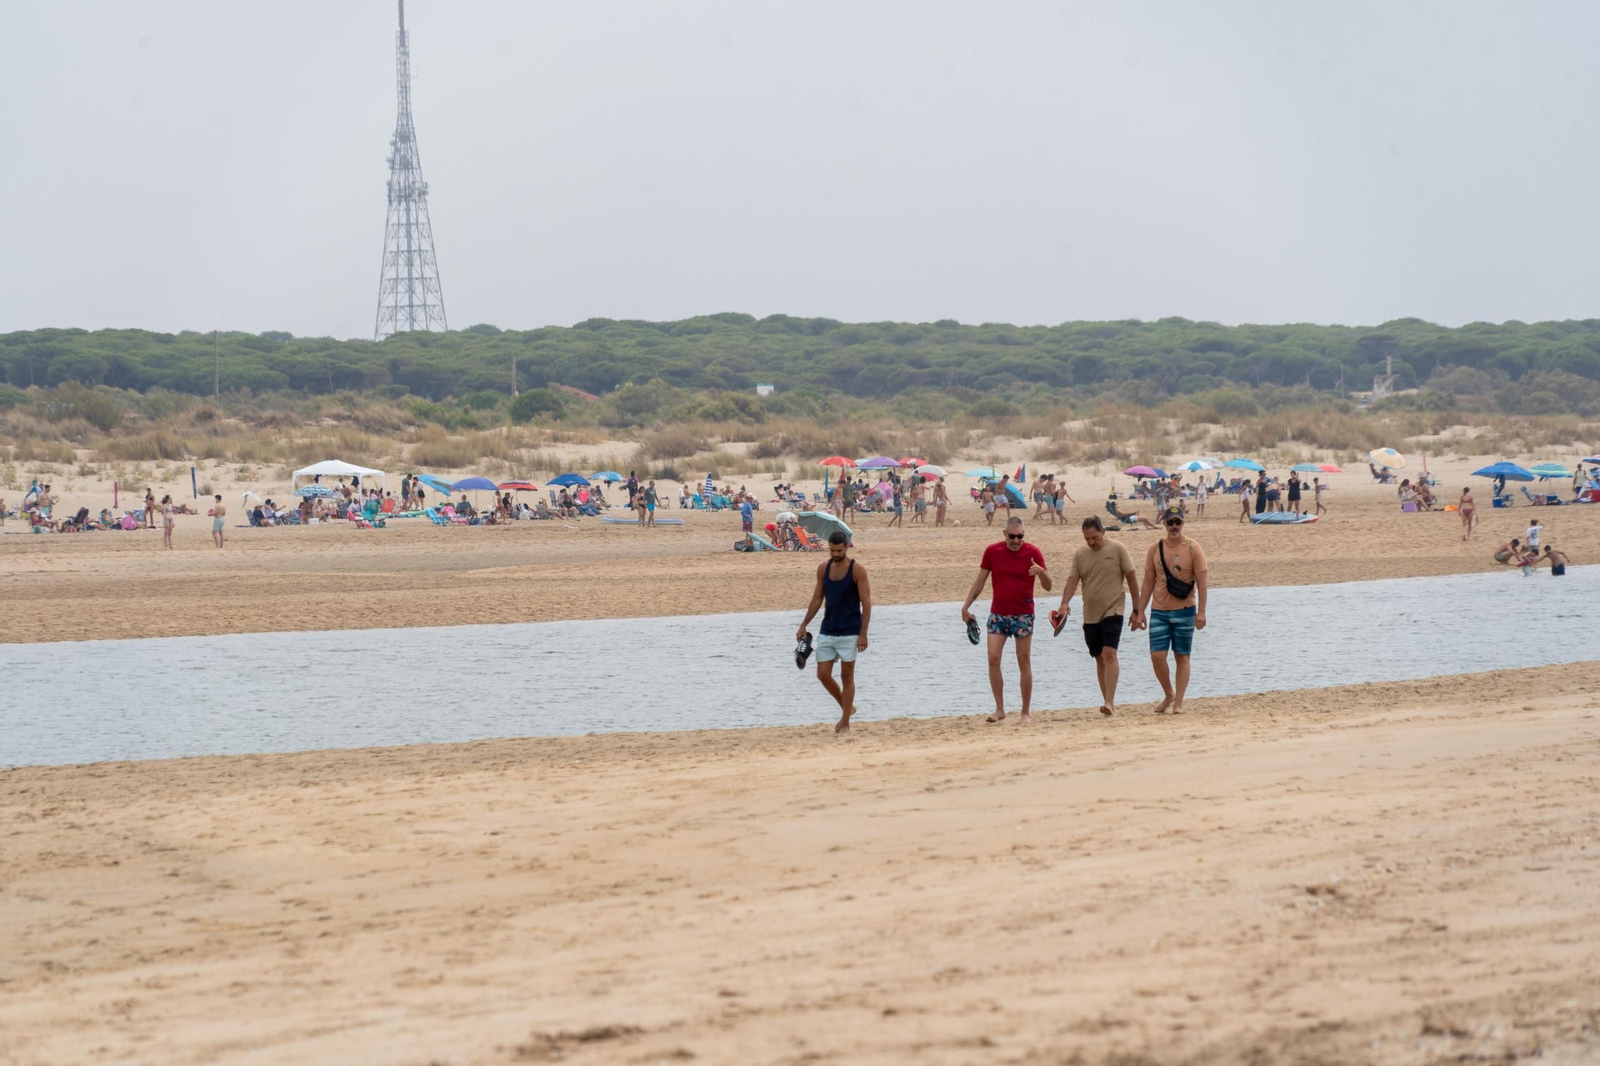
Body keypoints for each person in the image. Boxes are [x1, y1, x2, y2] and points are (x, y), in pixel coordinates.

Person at [960, 516, 1050, 725]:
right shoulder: (993, 552)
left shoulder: (1033, 553)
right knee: (993, 658)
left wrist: (1042, 573)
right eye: (1012, 536)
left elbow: (1048, 586)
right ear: (1005, 534)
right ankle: (1000, 709)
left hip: (1023, 614)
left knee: (1023, 661)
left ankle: (1025, 712)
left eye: (1020, 536)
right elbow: (979, 583)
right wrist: (965, 607)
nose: (1017, 540)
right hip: (998, 614)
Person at [1052, 516, 1143, 716]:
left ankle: (1109, 703)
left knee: (1110, 654)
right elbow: (1072, 580)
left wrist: (1137, 610)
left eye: (1094, 537)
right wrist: (1064, 603)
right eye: (1087, 539)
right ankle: (1107, 701)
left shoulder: (1118, 549)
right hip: (1090, 614)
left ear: (1103, 531)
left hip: (1114, 610)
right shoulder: (1080, 554)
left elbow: (1132, 580)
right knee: (1099, 658)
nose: (1091, 542)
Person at [796, 531, 872, 733]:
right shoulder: (823, 568)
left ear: (847, 547)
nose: (835, 554)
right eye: (832, 550)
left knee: (847, 677)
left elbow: (866, 603)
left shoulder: (858, 570)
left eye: (839, 550)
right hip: (828, 629)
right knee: (822, 674)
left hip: (850, 631)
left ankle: (845, 721)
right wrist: (804, 624)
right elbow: (816, 599)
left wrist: (863, 633)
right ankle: (848, 708)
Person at [1136, 507, 1208, 715]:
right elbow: (1148, 582)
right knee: (1156, 656)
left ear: (1183, 524)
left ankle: (1178, 702)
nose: (1174, 526)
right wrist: (1140, 612)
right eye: (1170, 522)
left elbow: (1202, 584)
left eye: (1178, 522)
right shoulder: (1155, 548)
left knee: (1182, 656)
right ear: (1164, 524)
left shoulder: (1194, 548)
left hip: (1185, 610)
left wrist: (1201, 612)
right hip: (1159, 610)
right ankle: (1169, 693)